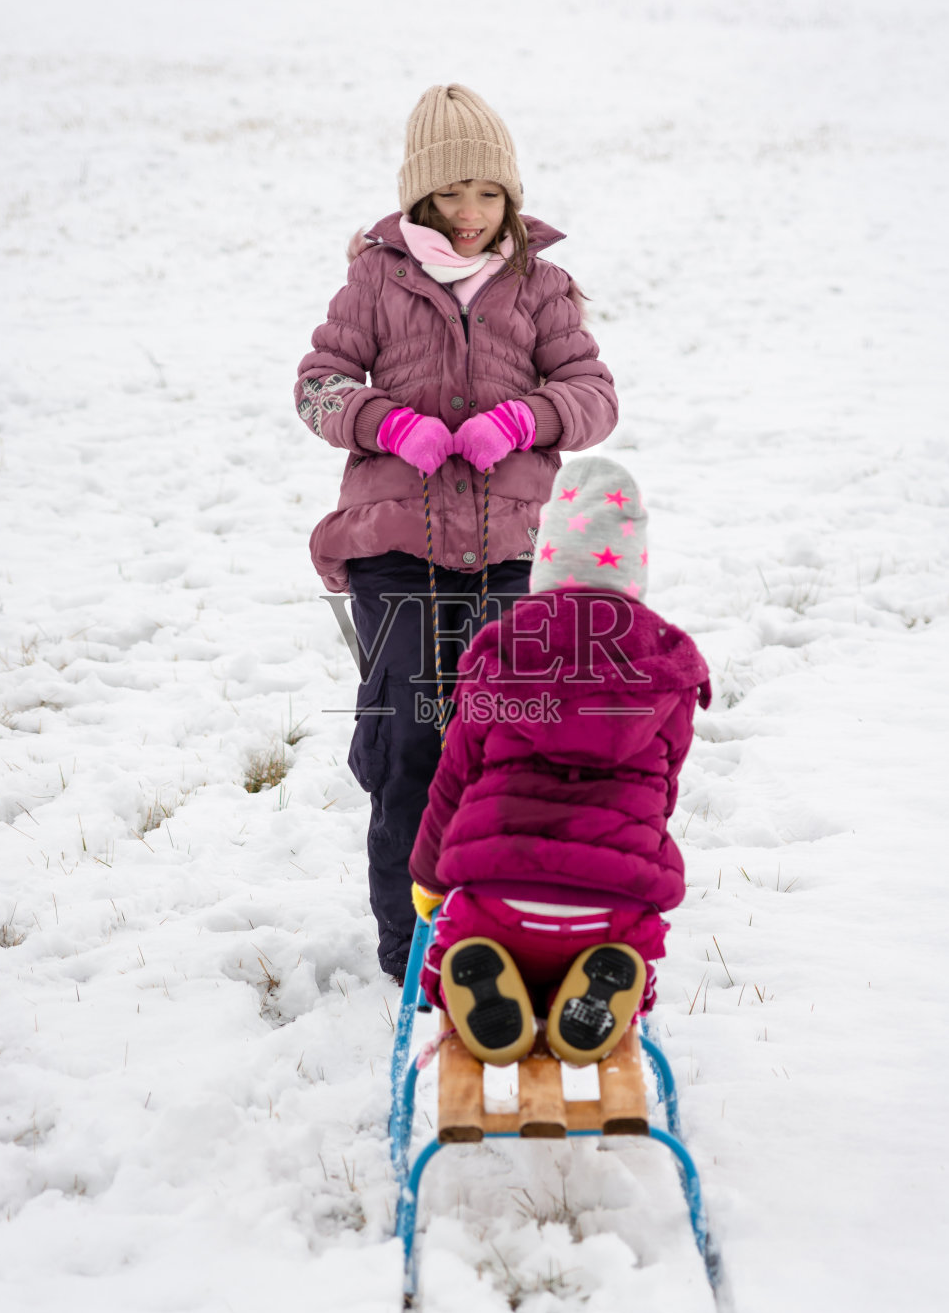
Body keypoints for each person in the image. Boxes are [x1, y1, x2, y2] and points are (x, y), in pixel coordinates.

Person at [294, 84, 617, 981]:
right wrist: (383, 422)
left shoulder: (539, 286)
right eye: (448, 195)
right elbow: (318, 381)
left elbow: (594, 396)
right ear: (419, 198)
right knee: (413, 746)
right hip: (397, 554)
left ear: (508, 195)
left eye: (485, 193)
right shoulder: (376, 278)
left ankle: (503, 926)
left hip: (512, 557)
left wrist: (526, 420)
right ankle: (412, 950)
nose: (469, 215)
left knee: (509, 744)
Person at [408, 456, 711, 1067]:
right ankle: (608, 983)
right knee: (630, 946)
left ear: (544, 564)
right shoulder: (665, 668)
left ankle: (480, 972)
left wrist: (427, 877)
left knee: (458, 946)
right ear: (634, 573)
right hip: (613, 906)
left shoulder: (501, 650)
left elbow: (453, 782)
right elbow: (663, 792)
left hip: (497, 896)